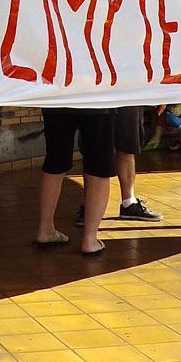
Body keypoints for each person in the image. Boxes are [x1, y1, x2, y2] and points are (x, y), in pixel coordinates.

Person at [34, 106, 116, 255]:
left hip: (57, 98)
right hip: (98, 98)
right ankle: (90, 240)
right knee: (99, 166)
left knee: (55, 162)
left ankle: (45, 229)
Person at [75, 106, 162, 225]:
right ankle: (90, 207)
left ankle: (129, 203)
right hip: (96, 96)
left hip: (128, 95)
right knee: (94, 148)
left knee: (128, 145)